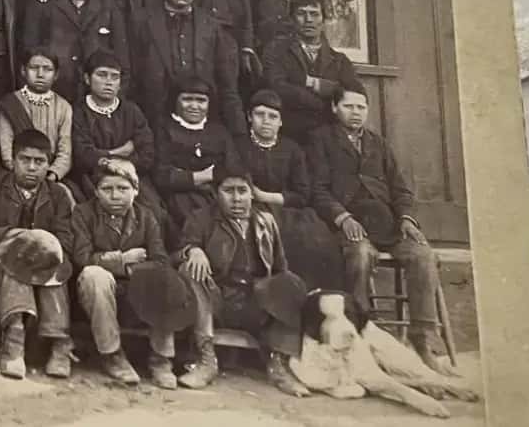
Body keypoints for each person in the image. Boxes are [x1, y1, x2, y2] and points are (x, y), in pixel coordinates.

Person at [309, 80, 453, 374]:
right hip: (350, 225)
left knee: (424, 256)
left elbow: (400, 190)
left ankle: (422, 338)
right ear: (334, 107)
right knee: (360, 255)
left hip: (388, 225)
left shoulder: (378, 144)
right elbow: (317, 190)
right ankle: (364, 331)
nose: (356, 112)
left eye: (361, 107)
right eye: (348, 106)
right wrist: (343, 217)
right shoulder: (320, 140)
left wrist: (407, 219)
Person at [175, 169, 310, 397]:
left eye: (242, 191)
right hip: (216, 301)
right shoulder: (201, 218)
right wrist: (192, 250)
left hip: (254, 302)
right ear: (216, 193)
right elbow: (176, 254)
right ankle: (206, 359)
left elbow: (279, 268)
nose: (236, 198)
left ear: (252, 194)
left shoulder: (266, 222)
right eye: (228, 191)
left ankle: (279, 364)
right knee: (190, 269)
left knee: (289, 283)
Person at [71, 159, 196, 387]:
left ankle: (161, 358)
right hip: (98, 295)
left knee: (163, 277)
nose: (115, 195)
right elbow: (81, 257)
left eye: (123, 188)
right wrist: (121, 260)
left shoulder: (147, 217)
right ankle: (112, 354)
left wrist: (131, 270)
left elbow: (159, 259)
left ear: (136, 190)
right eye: (107, 189)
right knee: (94, 274)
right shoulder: (82, 213)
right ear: (96, 192)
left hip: (139, 290)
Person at [0, 130, 77, 379]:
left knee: (57, 261)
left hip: (43, 269)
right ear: (13, 159)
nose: (31, 167)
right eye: (25, 159)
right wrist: (14, 234)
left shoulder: (59, 195)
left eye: (39, 162)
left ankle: (58, 342)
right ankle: (14, 338)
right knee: (13, 255)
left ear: (49, 164)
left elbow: (67, 240)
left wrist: (41, 243)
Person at [232, 90, 344, 292]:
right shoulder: (239, 146)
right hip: (251, 209)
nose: (266, 121)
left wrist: (266, 196)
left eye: (273, 116)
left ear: (281, 122)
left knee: (314, 239)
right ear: (249, 117)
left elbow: (302, 194)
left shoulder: (292, 149)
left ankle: (314, 295)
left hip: (289, 210)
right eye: (260, 114)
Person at [138, 0, 244, 133]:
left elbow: (227, 83)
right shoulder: (142, 22)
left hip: (202, 118)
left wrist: (239, 132)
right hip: (153, 117)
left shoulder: (211, 26)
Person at [20, 0, 128, 102]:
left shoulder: (108, 8)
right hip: (52, 93)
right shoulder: (43, 2)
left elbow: (122, 59)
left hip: (93, 98)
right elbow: (28, 50)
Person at [261, 0, 360, 146]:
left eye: (314, 14)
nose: (308, 20)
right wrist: (325, 91)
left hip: (328, 137)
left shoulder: (340, 61)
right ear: (292, 19)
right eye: (301, 14)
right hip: (287, 135)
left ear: (324, 19)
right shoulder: (276, 51)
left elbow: (353, 93)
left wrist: (306, 82)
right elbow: (275, 86)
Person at [69, 51, 158, 217]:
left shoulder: (131, 111)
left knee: (153, 212)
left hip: (131, 174)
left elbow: (147, 153)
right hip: (92, 178)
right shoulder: (78, 113)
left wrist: (123, 167)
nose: (108, 82)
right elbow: (82, 155)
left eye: (114, 77)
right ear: (87, 79)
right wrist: (115, 154)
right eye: (102, 75)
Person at [153, 76, 245, 230]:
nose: (194, 106)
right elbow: (161, 175)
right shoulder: (164, 130)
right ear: (175, 100)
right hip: (176, 199)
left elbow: (232, 169)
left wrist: (182, 174)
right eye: (187, 99)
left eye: (201, 100)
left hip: (215, 196)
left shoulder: (219, 132)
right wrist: (204, 176)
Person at [0, 49, 73, 182]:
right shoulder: (10, 103)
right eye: (34, 68)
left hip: (50, 174)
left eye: (47, 69)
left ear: (56, 75)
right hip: (16, 173)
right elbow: (6, 149)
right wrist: (21, 171)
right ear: (23, 71)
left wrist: (53, 174)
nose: (40, 74)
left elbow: (65, 151)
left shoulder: (64, 107)